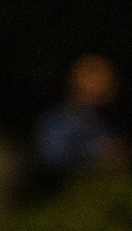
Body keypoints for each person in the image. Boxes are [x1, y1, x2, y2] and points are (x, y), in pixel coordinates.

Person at [33, 52, 125, 186]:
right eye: (100, 78)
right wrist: (97, 153)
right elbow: (51, 159)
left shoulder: (101, 121)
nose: (108, 85)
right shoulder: (58, 120)